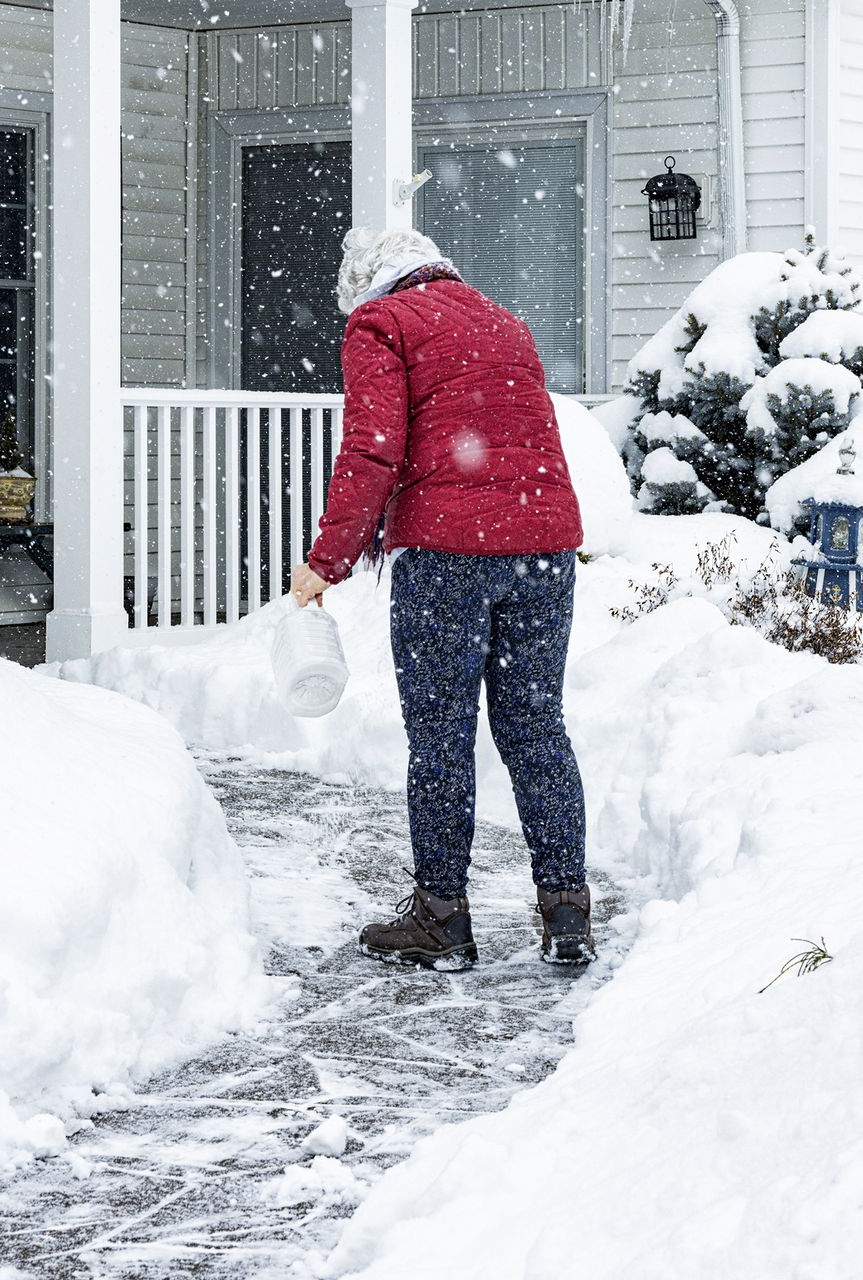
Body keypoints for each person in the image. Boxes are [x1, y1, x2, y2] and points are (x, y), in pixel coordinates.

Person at [290, 226, 593, 969]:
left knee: (441, 737)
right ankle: (566, 911)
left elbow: (373, 449)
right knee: (535, 729)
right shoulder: (504, 320)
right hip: (543, 548)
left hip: (449, 555)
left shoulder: (381, 323)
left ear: (366, 284)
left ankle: (442, 918)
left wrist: (326, 561)